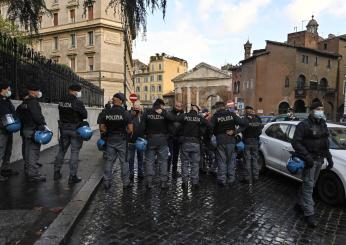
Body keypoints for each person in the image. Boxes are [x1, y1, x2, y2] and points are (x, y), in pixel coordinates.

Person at [292, 101, 333, 228]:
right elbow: (296, 142)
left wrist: (329, 158)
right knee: (309, 186)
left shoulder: (323, 124)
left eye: (322, 108)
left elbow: (325, 143)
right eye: (318, 109)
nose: (321, 111)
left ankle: (299, 204)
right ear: (312, 111)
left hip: (320, 159)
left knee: (310, 183)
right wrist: (307, 157)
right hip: (310, 160)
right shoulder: (304, 125)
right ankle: (309, 213)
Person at [53, 83, 88, 184]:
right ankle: (72, 176)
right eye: (79, 91)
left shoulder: (61, 101)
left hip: (63, 129)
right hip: (75, 129)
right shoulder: (77, 102)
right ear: (76, 91)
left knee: (61, 151)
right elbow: (84, 115)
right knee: (74, 152)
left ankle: (56, 172)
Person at [98, 93, 133, 189]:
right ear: (121, 101)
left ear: (114, 101)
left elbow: (102, 128)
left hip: (110, 139)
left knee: (109, 161)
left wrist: (108, 132)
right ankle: (126, 183)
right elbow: (130, 129)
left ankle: (106, 182)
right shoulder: (126, 113)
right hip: (122, 139)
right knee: (124, 162)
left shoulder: (106, 112)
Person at [211, 101, 248, 186]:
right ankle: (231, 179)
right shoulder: (232, 115)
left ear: (217, 108)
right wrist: (235, 132)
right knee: (231, 160)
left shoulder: (215, 116)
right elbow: (245, 124)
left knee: (221, 161)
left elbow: (210, 128)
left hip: (220, 141)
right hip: (231, 140)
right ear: (225, 107)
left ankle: (222, 180)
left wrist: (214, 134)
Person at [141, 99, 176, 189]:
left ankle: (149, 182)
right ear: (161, 105)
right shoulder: (164, 113)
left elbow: (142, 127)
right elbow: (173, 120)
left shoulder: (147, 112)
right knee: (163, 161)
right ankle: (163, 182)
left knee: (149, 161)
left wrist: (145, 136)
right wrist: (163, 113)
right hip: (162, 139)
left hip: (150, 139)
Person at [16, 84, 46, 182]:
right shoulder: (33, 102)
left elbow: (18, 115)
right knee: (33, 152)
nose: (39, 93)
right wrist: (43, 125)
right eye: (38, 91)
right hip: (33, 130)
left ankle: (28, 169)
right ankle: (33, 174)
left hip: (25, 129)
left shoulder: (23, 103)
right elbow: (37, 117)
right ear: (33, 92)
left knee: (27, 150)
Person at [180, 104, 208, 188]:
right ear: (197, 111)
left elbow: (178, 125)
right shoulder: (199, 118)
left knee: (184, 162)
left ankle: (184, 181)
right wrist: (202, 133)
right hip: (196, 142)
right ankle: (194, 182)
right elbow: (208, 124)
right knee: (195, 163)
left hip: (185, 142)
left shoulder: (184, 116)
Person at [0, 82, 19, 182]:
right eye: (8, 89)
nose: (9, 91)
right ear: (2, 90)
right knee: (1, 151)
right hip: (2, 129)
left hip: (9, 128)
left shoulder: (7, 100)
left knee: (8, 150)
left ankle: (5, 169)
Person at [241, 106, 263, 183]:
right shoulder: (257, 120)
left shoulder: (244, 120)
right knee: (255, 159)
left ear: (246, 112)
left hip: (247, 141)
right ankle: (256, 177)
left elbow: (241, 129)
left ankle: (246, 178)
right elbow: (260, 130)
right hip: (255, 141)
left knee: (247, 159)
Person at [167, 101, 184, 178]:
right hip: (170, 137)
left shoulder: (183, 115)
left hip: (178, 138)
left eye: (179, 106)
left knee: (176, 156)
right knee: (169, 155)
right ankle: (166, 171)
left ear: (181, 107)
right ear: (174, 106)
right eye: (176, 106)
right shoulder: (169, 113)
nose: (177, 108)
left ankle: (174, 171)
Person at [128, 105, 144, 180]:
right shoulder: (130, 118)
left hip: (140, 141)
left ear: (140, 110)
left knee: (140, 158)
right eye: (135, 109)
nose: (136, 111)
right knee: (131, 159)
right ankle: (131, 173)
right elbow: (128, 129)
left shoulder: (143, 118)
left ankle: (140, 172)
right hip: (131, 141)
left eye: (137, 109)